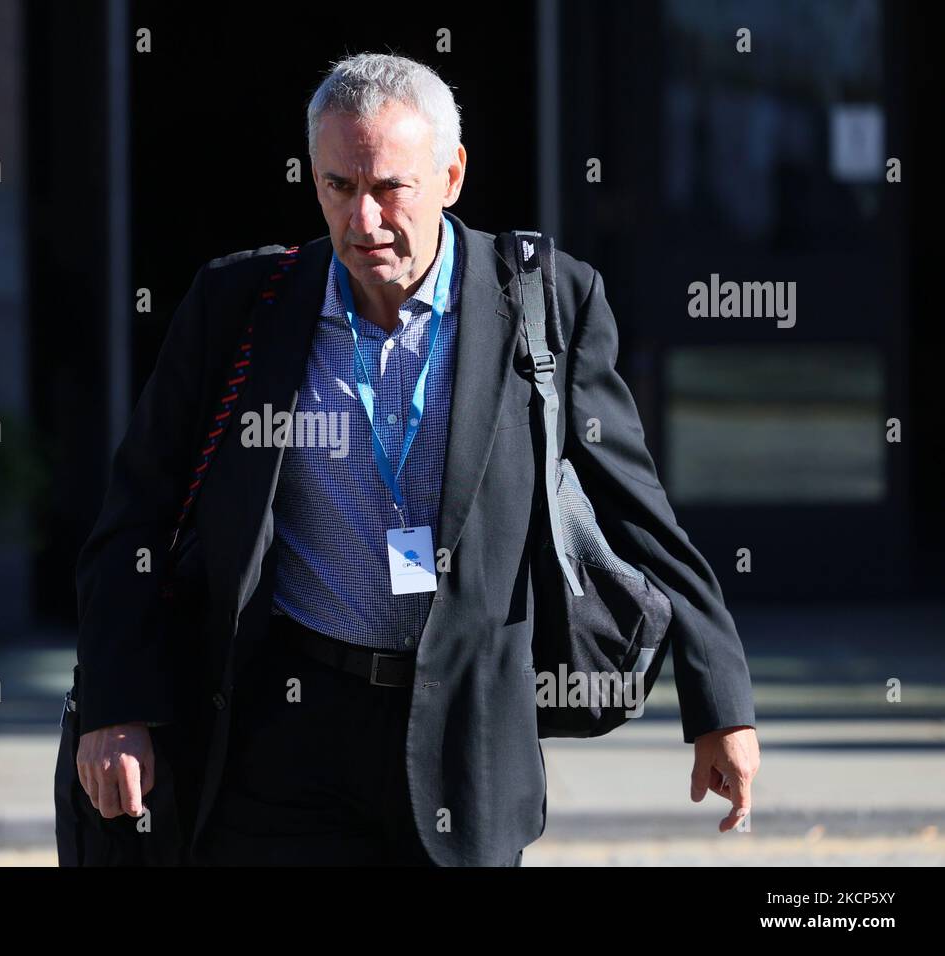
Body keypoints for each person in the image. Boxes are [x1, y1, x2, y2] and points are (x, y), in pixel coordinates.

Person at [67, 52, 760, 866]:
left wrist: (721, 704)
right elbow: (137, 512)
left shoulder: (546, 303)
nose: (362, 221)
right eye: (337, 187)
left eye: (389, 187)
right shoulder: (240, 309)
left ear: (451, 174)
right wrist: (118, 703)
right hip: (283, 731)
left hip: (467, 738)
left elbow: (638, 510)